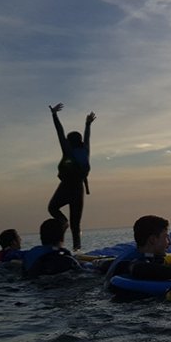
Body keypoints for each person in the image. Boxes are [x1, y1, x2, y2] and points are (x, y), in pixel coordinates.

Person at [104, 215, 171, 286]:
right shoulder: (132, 262)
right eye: (166, 237)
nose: (170, 242)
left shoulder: (134, 255)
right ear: (153, 240)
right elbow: (138, 268)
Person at [47, 103, 95, 251]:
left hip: (67, 186)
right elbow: (87, 137)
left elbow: (59, 132)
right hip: (78, 189)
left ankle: (63, 222)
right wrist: (88, 124)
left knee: (52, 208)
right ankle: (77, 250)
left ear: (69, 141)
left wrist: (54, 115)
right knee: (76, 224)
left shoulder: (67, 150)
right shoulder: (85, 150)